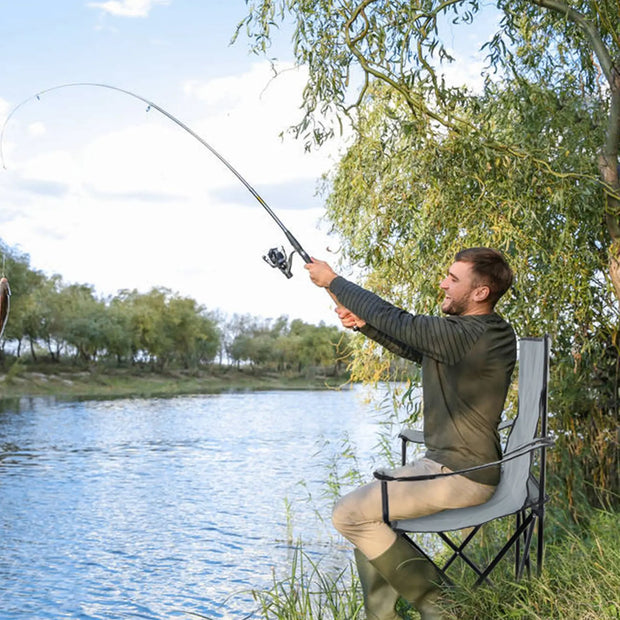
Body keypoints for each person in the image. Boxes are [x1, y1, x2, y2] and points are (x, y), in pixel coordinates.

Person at [305, 247, 516, 620]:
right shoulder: (475, 335)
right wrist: (364, 324)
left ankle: (447, 611)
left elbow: (401, 322)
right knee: (363, 510)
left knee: (349, 515)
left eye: (453, 279)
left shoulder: (474, 333)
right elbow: (411, 344)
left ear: (480, 293)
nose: (443, 284)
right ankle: (383, 617)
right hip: (450, 467)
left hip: (462, 475)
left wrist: (334, 280)